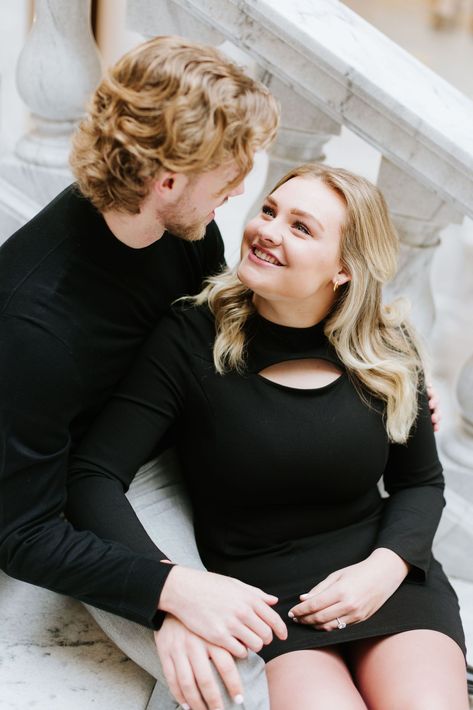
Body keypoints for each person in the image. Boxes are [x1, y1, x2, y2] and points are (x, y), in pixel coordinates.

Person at [67, 162, 468, 710]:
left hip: (386, 578)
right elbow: (93, 476)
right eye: (270, 210)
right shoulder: (190, 337)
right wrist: (172, 589)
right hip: (265, 602)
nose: (268, 230)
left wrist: (385, 567)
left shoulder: (388, 346)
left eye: (302, 227)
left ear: (344, 269)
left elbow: (420, 482)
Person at [0, 35, 280, 708]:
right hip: (89, 491)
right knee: (228, 675)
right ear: (167, 180)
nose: (241, 189)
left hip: (162, 442)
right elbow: (21, 533)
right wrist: (171, 591)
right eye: (229, 174)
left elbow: (224, 333)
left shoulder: (183, 230)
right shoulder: (32, 322)